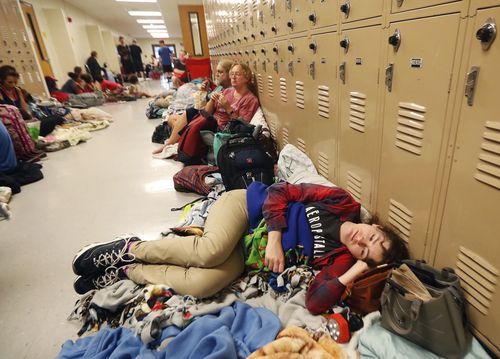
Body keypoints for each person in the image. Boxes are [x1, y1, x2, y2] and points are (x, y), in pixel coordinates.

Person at [71, 182, 409, 314]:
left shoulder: (340, 260)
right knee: (210, 251)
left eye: (366, 253)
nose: (361, 243)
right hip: (248, 209)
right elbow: (281, 191)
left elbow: (316, 302)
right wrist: (276, 235)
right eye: (371, 238)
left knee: (204, 285)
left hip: (248, 255)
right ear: (374, 225)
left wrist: (357, 269)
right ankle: (133, 246)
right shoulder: (341, 203)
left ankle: (127, 269)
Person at [152, 62, 258, 154]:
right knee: (186, 114)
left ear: (247, 78)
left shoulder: (250, 99)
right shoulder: (227, 91)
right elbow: (207, 112)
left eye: (237, 74)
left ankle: (174, 141)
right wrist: (211, 99)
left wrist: (228, 108)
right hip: (210, 120)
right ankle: (171, 142)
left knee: (183, 120)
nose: (233, 77)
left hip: (222, 128)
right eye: (232, 74)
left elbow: (243, 127)